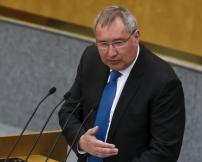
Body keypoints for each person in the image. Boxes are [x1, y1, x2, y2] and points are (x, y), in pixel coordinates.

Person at [59, 6, 185, 162]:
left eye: (118, 43)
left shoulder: (163, 83)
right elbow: (68, 111)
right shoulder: (91, 58)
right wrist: (81, 141)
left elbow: (164, 152)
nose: (111, 53)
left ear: (136, 36)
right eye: (103, 44)